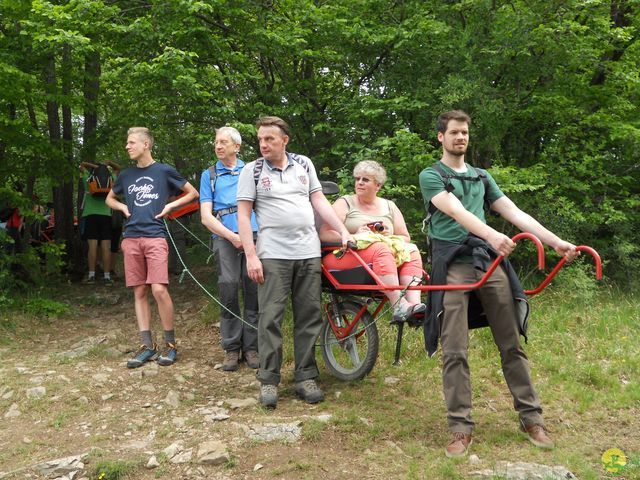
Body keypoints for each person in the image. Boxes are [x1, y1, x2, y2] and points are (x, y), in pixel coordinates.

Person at [419, 110, 579, 458]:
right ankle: (460, 427)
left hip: (488, 263)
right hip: (453, 265)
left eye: (464, 132)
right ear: (441, 137)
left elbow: (514, 213)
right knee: (455, 350)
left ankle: (531, 418)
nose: (460, 137)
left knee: (511, 343)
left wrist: (555, 242)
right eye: (454, 133)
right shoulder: (432, 175)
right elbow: (456, 211)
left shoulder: (481, 176)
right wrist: (492, 235)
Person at [236, 116, 353, 408]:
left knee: (309, 316)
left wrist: (342, 230)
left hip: (308, 252)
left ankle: (305, 377)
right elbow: (243, 215)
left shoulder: (304, 164)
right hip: (273, 254)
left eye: (270, 139)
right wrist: (252, 256)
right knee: (270, 317)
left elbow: (319, 201)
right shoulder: (251, 171)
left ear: (284, 140)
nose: (263, 144)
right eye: (260, 139)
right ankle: (269, 381)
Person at [106, 127, 198, 368]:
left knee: (158, 289)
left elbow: (192, 193)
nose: (127, 146)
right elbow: (109, 198)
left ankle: (170, 344)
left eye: (132, 142)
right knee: (139, 292)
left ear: (146, 144)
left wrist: (170, 207)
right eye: (127, 142)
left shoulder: (164, 171)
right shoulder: (125, 175)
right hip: (132, 237)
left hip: (155, 236)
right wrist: (123, 208)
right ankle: (147, 345)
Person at [320, 160, 425, 322]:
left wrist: (389, 235)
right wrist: (354, 234)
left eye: (365, 179)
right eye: (357, 179)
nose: (359, 183)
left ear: (378, 186)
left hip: (380, 256)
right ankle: (398, 304)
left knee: (412, 249)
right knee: (380, 247)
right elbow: (324, 234)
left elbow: (405, 238)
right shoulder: (345, 202)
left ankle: (414, 305)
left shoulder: (389, 206)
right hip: (344, 256)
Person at [200, 126, 260, 372]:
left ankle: (253, 347)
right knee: (228, 286)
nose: (218, 146)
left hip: (256, 235)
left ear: (237, 146)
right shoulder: (209, 175)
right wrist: (232, 236)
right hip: (225, 237)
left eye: (223, 142)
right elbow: (206, 215)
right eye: (216, 142)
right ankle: (232, 348)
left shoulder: (253, 170)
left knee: (253, 286)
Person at [80, 161, 120, 285]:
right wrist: (107, 164)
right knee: (106, 247)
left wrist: (95, 167)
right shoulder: (111, 178)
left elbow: (81, 165)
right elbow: (118, 168)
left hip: (90, 215)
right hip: (106, 216)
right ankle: (107, 276)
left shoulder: (88, 179)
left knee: (92, 247)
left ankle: (91, 275)